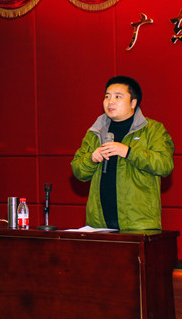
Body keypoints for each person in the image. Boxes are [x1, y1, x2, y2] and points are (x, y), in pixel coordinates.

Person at [71, 76, 174, 230]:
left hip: (138, 225)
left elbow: (164, 165)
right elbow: (78, 171)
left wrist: (129, 152)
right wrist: (91, 159)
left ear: (133, 103)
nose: (110, 101)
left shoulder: (153, 130)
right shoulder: (96, 132)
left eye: (117, 97)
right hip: (99, 225)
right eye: (107, 96)